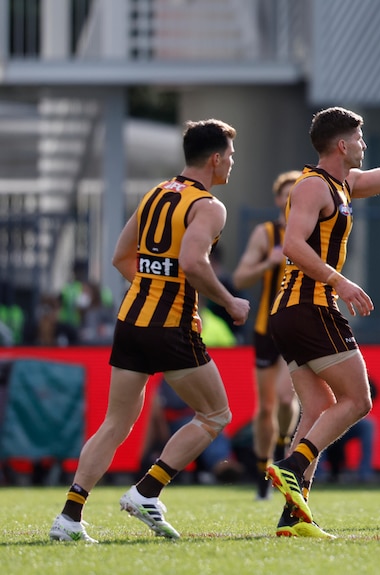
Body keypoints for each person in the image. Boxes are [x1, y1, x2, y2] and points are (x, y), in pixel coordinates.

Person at [49, 119, 250, 543]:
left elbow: (122, 257)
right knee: (216, 415)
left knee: (115, 424)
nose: (232, 163)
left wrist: (151, 286)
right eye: (230, 155)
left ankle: (69, 517)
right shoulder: (209, 206)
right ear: (215, 159)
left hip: (131, 322)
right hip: (171, 326)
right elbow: (194, 263)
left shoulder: (157, 193)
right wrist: (229, 302)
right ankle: (148, 490)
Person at [266, 82, 380, 538]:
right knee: (359, 399)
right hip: (309, 306)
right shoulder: (313, 186)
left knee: (316, 410)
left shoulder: (341, 183)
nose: (365, 146)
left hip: (293, 311)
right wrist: (340, 280)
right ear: (343, 144)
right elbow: (291, 244)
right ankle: (293, 466)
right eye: (361, 139)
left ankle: (294, 516)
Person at [232, 170, 302, 500]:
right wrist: (268, 264)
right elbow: (241, 277)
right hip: (266, 328)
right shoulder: (266, 234)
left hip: (298, 327)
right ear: (277, 199)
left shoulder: (310, 230)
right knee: (265, 409)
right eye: (285, 195)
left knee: (287, 400)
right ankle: (263, 469)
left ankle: (282, 446)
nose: (290, 201)